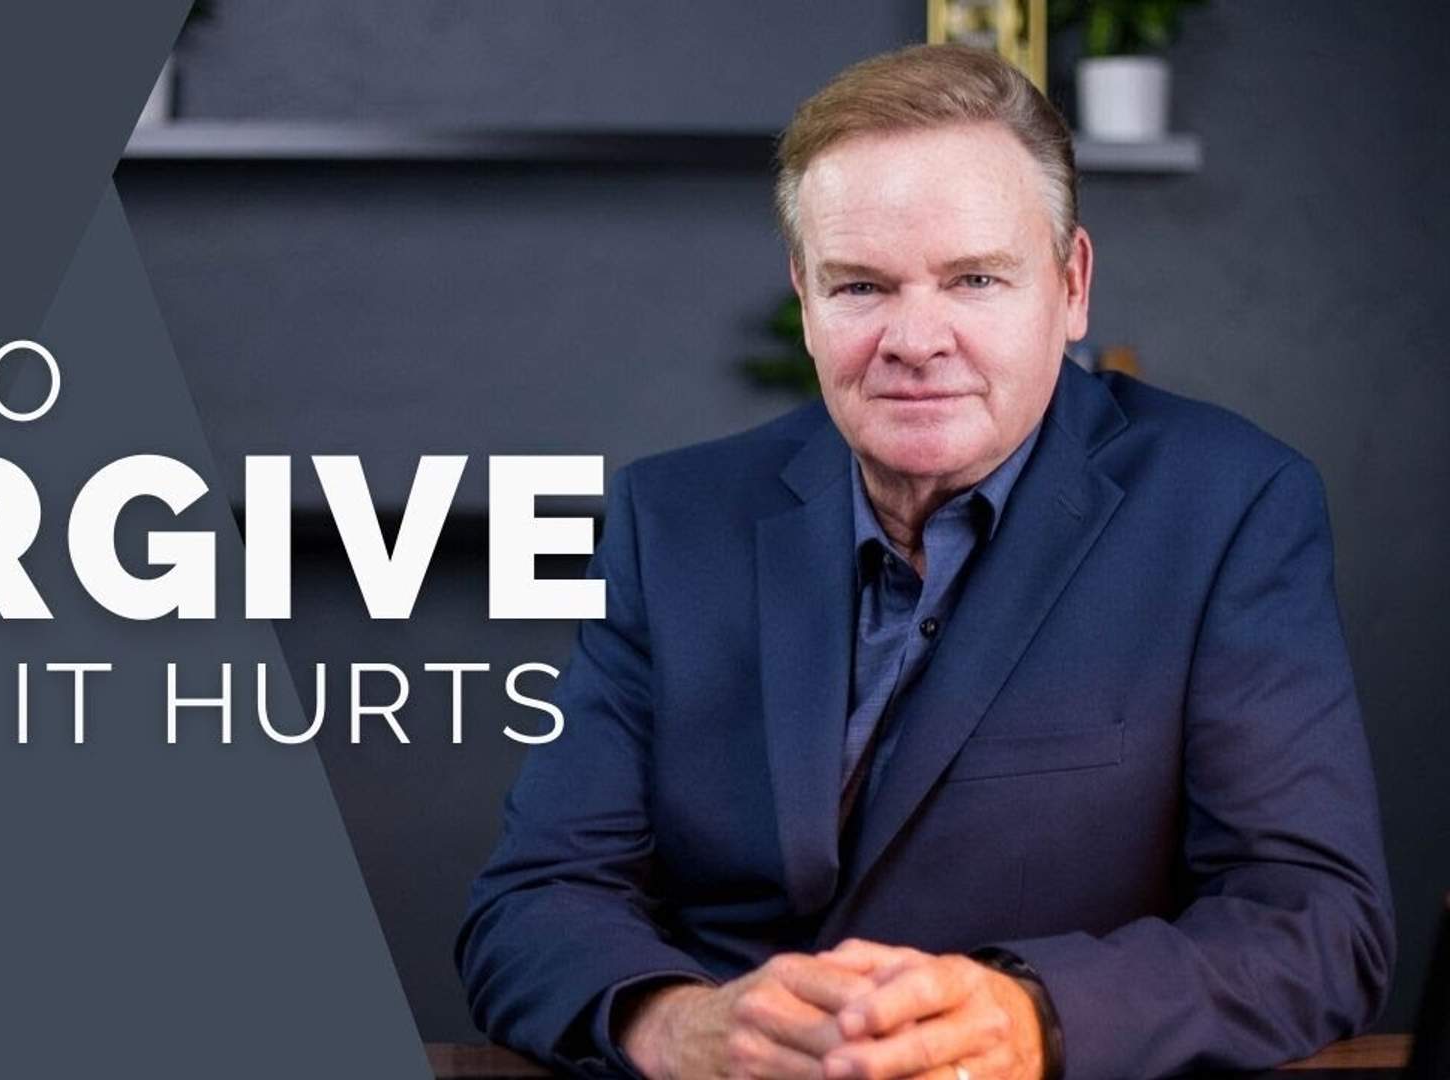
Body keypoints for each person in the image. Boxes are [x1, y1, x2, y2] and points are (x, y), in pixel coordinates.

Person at [455, 44, 1393, 1080]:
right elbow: (533, 902)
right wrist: (680, 1027)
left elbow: (1315, 923)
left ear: (1071, 286)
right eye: (861, 286)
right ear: (806, 301)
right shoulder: (673, 517)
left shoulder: (1229, 506)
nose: (915, 337)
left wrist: (1033, 1020)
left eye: (976, 279)